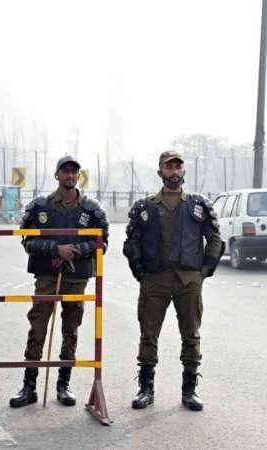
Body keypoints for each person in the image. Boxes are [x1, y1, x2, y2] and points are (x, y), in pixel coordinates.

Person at [124, 150, 223, 411]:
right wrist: (140, 273)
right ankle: (146, 389)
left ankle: (189, 391)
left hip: (188, 280)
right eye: (169, 168)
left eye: (178, 167)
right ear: (160, 172)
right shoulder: (145, 206)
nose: (174, 172)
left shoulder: (198, 204)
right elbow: (131, 242)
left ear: (184, 172)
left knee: (191, 335)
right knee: (148, 335)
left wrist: (203, 273)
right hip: (154, 280)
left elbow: (215, 239)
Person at [10, 156, 109, 408]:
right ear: (57, 175)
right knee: (38, 329)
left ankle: (64, 385)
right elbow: (27, 241)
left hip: (76, 278)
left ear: (78, 176)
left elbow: (102, 242)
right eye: (65, 171)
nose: (70, 176)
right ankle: (29, 385)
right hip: (46, 277)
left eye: (74, 172)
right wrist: (56, 249)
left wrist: (76, 250)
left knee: (70, 331)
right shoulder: (40, 207)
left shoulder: (92, 210)